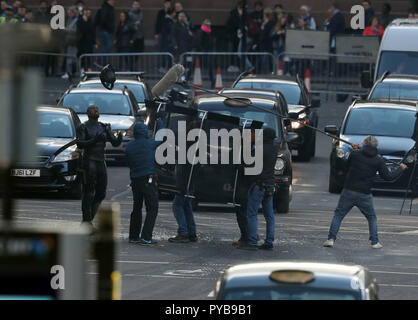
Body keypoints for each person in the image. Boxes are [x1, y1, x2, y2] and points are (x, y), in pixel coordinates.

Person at [323, 136, 407, 249]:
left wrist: (353, 149)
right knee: (371, 217)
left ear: (364, 143)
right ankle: (374, 242)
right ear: (375, 146)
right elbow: (388, 177)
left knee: (338, 214)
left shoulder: (355, 154)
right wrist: (400, 169)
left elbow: (346, 166)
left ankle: (331, 239)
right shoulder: (378, 160)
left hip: (349, 190)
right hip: (364, 193)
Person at [76, 105, 123, 227]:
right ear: (87, 113)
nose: (96, 110)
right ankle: (87, 220)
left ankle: (89, 217)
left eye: (97, 109)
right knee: (89, 191)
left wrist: (119, 137)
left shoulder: (103, 127)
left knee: (101, 192)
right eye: (92, 109)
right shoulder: (83, 126)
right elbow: (80, 144)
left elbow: (114, 142)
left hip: (101, 161)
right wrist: (95, 139)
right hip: (89, 161)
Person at [238, 128, 279, 250]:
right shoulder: (274, 150)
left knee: (251, 214)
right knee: (269, 215)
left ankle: (252, 242)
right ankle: (269, 241)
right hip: (270, 185)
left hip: (258, 185)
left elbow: (250, 167)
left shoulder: (259, 150)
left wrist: (239, 166)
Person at [125, 120, 163, 245]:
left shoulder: (129, 146)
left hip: (135, 180)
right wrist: (160, 121)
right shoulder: (149, 144)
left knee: (137, 208)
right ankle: (146, 236)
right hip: (148, 178)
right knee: (152, 208)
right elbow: (162, 136)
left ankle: (133, 236)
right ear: (145, 132)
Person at [168, 118, 198, 243]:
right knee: (187, 205)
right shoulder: (198, 143)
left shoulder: (186, 144)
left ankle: (183, 232)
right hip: (191, 181)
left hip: (184, 180)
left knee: (177, 206)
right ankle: (191, 231)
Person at [194, 18, 215, 88]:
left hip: (207, 52)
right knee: (194, 65)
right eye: (207, 25)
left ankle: (213, 81)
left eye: (209, 25)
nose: (208, 26)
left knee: (210, 67)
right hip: (201, 52)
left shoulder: (209, 32)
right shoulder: (201, 32)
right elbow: (199, 42)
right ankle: (187, 78)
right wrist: (203, 50)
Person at [77, 7, 97, 71]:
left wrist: (94, 42)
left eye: (89, 13)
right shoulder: (80, 20)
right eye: (86, 12)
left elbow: (93, 32)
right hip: (82, 41)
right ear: (84, 12)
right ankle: (82, 69)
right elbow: (81, 30)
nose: (88, 14)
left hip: (89, 42)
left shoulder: (90, 21)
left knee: (89, 56)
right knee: (82, 56)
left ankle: (88, 70)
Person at [61, 6, 78, 80]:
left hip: (73, 41)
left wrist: (67, 30)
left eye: (70, 13)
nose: (68, 14)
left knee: (72, 58)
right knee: (69, 58)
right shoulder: (69, 19)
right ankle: (69, 72)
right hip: (69, 41)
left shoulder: (76, 20)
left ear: (73, 13)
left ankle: (71, 72)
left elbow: (76, 30)